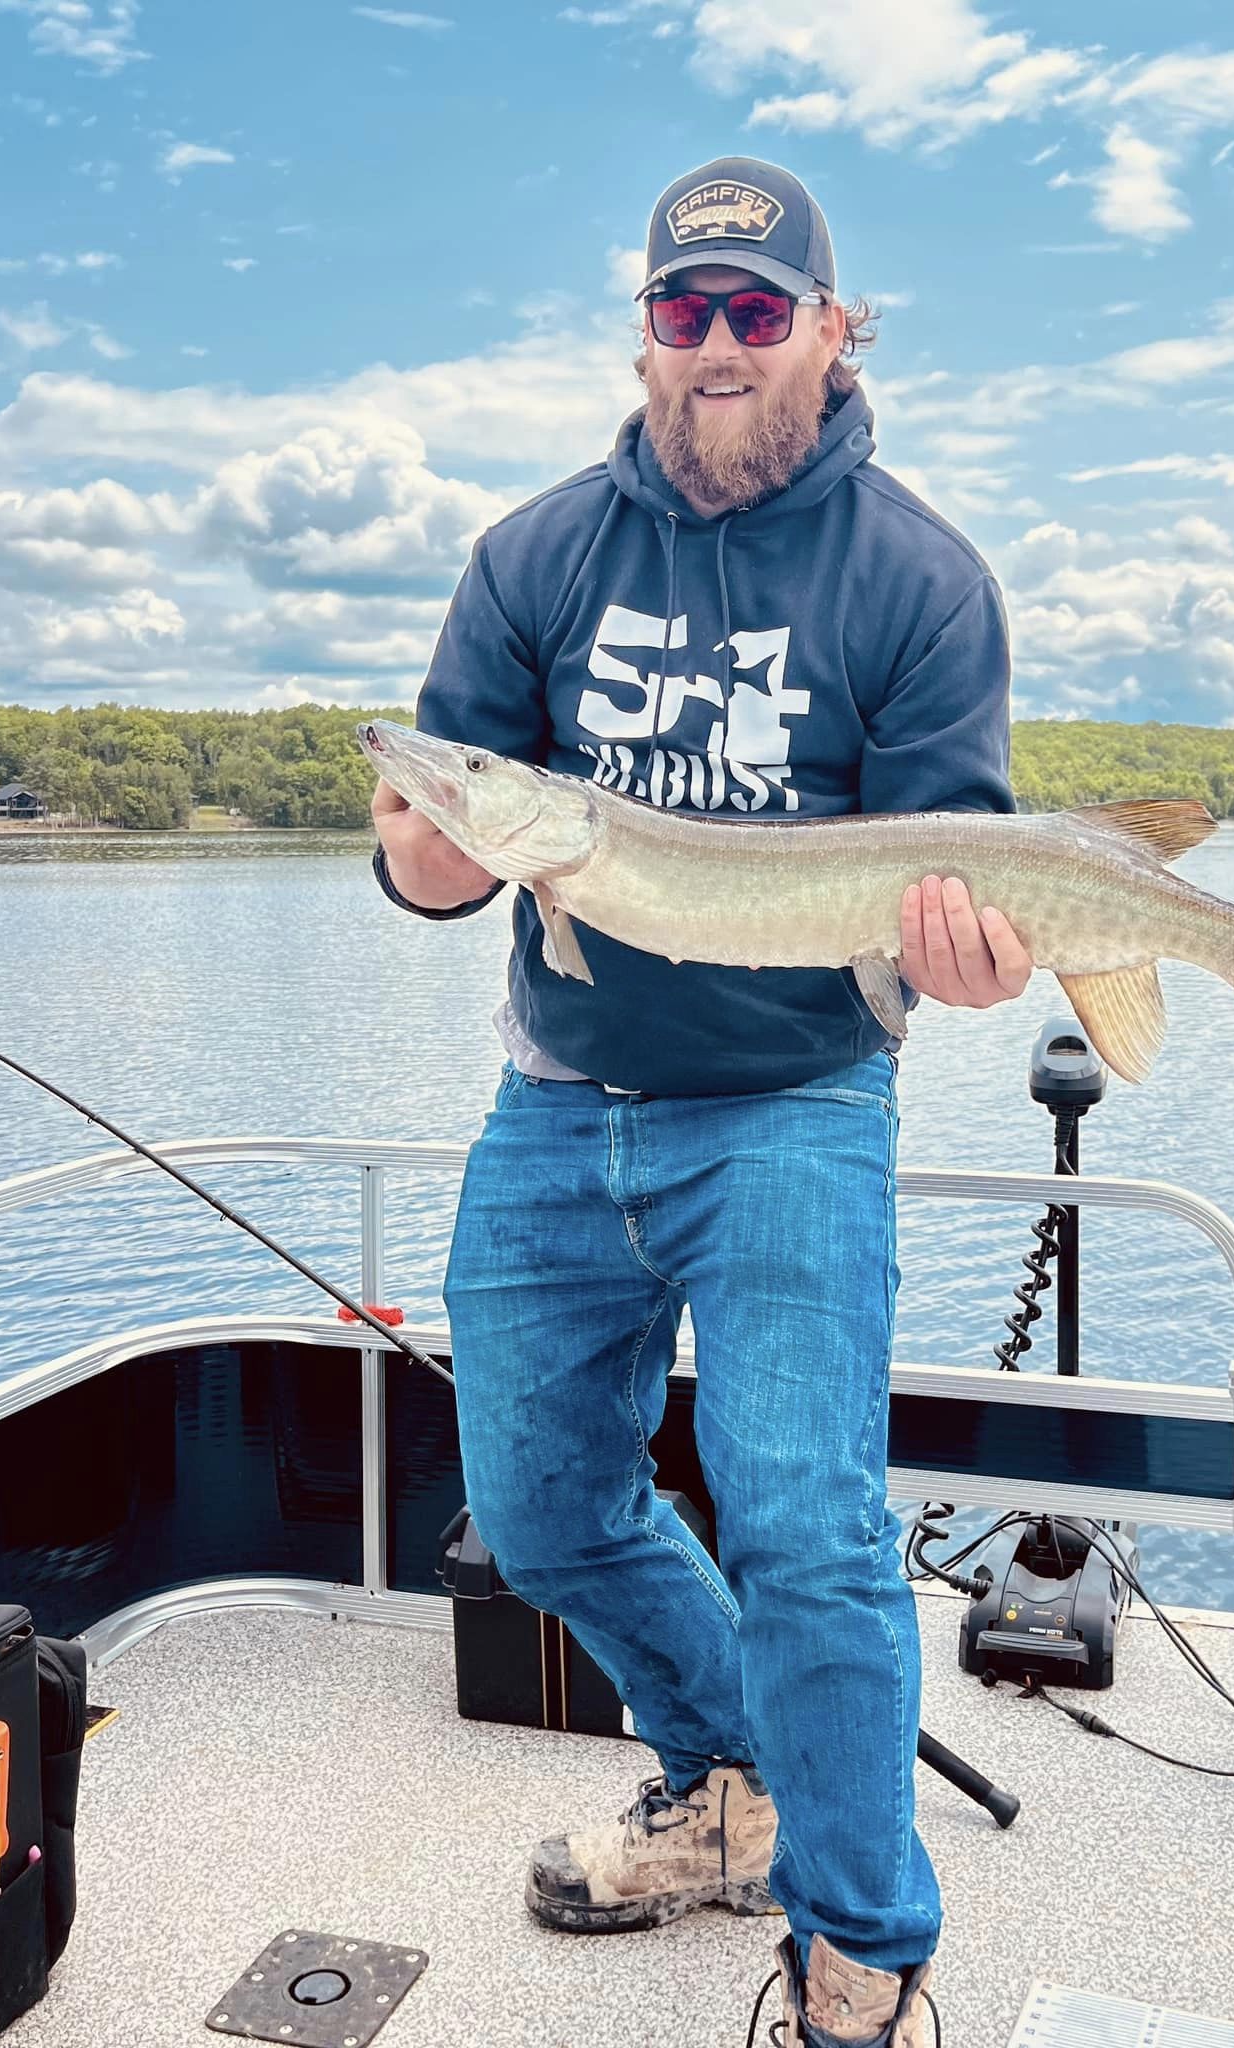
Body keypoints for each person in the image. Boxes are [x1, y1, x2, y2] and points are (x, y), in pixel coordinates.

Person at [370, 154, 1031, 2048]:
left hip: (801, 1108)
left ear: (830, 326)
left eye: (759, 310)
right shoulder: (536, 555)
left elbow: (951, 884)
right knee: (544, 1508)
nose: (720, 344)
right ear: (645, 331)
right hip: (562, 1102)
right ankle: (728, 1775)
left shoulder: (917, 578)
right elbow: (441, 850)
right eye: (686, 311)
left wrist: (966, 958)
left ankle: (866, 1949)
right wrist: (429, 853)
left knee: (807, 1527)